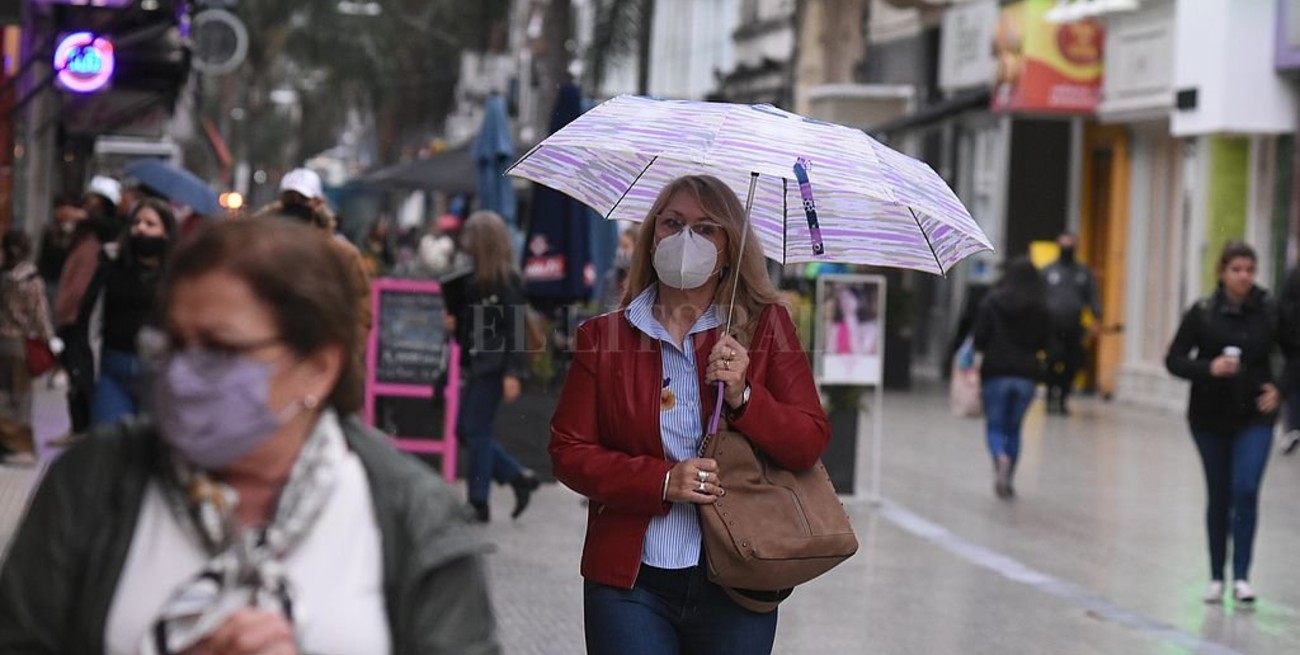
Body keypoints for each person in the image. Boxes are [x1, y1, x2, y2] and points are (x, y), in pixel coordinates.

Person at [0, 219, 500, 654]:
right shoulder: (92, 482)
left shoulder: (412, 518)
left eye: (220, 349)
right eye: (174, 343)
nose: (182, 373)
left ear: (318, 368)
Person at [549, 175, 830, 655]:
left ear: (729, 247)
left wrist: (745, 396)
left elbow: (808, 440)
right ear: (651, 235)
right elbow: (568, 452)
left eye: (705, 229)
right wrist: (660, 481)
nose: (685, 240)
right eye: (673, 223)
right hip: (630, 580)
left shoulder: (766, 328)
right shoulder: (604, 337)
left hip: (739, 576)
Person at [1165, 241, 1291, 606]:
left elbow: (1294, 353)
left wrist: (1280, 388)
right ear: (1222, 272)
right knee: (1219, 494)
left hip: (1255, 415)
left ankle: (1243, 576)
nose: (1244, 277)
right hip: (1209, 417)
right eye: (1237, 269)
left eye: (1250, 270)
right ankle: (1217, 576)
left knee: (1245, 489)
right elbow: (1174, 359)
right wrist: (1209, 368)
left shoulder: (1269, 311)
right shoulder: (1203, 312)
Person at [442, 210, 538, 523]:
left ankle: (479, 502)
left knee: (475, 431)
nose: (466, 243)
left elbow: (516, 328)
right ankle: (515, 477)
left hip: (495, 365)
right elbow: (468, 329)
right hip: (481, 363)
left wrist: (514, 372)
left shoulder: (506, 281)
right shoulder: (474, 281)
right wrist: (454, 324)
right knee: (466, 430)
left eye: (472, 237)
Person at [75, 198, 178, 427]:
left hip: (159, 374)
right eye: (136, 222)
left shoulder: (177, 277)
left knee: (150, 452)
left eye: (150, 224)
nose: (140, 228)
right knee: (109, 446)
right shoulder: (111, 265)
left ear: (166, 233)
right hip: (112, 370)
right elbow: (89, 314)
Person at [254, 167, 372, 358]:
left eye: (302, 200)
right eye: (289, 200)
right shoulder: (265, 247)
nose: (295, 206)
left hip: (320, 354)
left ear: (318, 203)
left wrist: (349, 355)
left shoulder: (342, 254)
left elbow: (361, 308)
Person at [971, 256, 1052, 498]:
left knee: (995, 425)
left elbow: (979, 339)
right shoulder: (1042, 307)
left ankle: (1000, 457)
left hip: (996, 372)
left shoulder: (992, 302)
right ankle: (1010, 477)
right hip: (1026, 374)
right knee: (1014, 429)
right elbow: (1048, 343)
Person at [55, 175, 125, 434]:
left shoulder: (108, 231)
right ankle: (76, 425)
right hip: (71, 310)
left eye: (96, 201)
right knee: (73, 369)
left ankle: (83, 426)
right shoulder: (82, 236)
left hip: (86, 312)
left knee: (82, 370)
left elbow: (110, 227)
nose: (89, 206)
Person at [0, 231, 54, 464]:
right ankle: (20, 448)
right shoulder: (32, 281)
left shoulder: (3, 277)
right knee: (21, 397)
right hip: (20, 344)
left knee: (2, 394)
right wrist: (50, 340)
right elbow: (40, 316)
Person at [1041, 233, 1101, 415]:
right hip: (1052, 326)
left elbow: (1093, 297)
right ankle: (1050, 396)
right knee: (1052, 361)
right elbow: (1038, 296)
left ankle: (1063, 398)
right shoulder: (1048, 271)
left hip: (1074, 326)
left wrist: (1096, 319)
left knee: (1072, 363)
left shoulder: (1083, 272)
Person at [1279, 264, 1300, 454]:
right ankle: (1293, 428)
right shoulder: (1294, 276)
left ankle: (1293, 428)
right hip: (1296, 346)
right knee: (1294, 387)